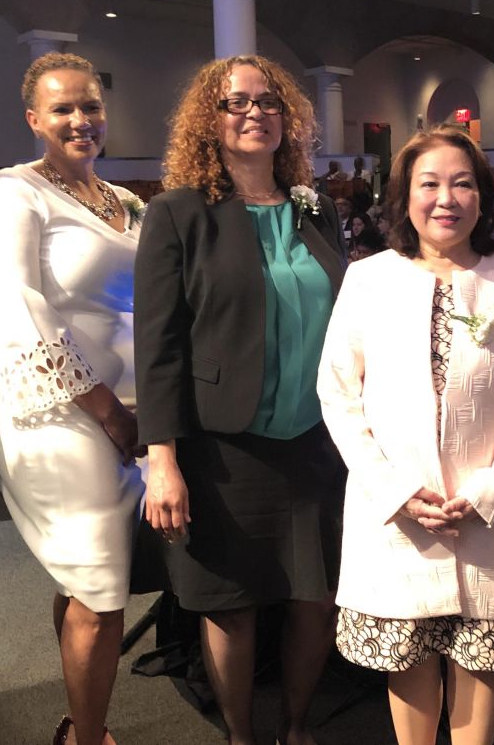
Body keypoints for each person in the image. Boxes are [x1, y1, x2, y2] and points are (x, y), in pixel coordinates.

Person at [319, 126, 494, 745]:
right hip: (398, 513)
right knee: (410, 660)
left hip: (487, 514)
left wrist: (487, 491)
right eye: (429, 183)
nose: (445, 198)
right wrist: (395, 490)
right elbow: (338, 393)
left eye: (462, 183)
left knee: (482, 657)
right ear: (405, 197)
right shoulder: (369, 279)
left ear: (482, 197)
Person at [135, 54, 346, 745]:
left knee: (316, 598)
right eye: (235, 104)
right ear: (210, 121)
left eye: (267, 102)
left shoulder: (317, 213)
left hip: (316, 443)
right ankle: (240, 735)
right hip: (224, 447)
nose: (254, 113)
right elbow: (158, 344)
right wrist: (160, 458)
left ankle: (295, 725)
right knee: (233, 606)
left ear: (287, 118)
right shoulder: (179, 214)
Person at [0, 52, 144, 745]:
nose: (81, 120)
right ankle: (88, 736)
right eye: (63, 109)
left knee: (86, 572)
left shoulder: (121, 199)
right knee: (103, 585)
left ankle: (80, 716)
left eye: (91, 106)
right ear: (33, 119)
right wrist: (103, 407)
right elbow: (18, 307)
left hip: (125, 404)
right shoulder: (12, 194)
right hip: (52, 407)